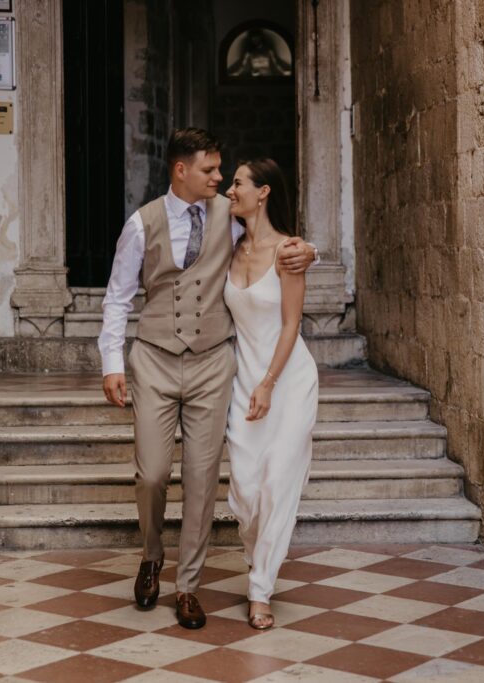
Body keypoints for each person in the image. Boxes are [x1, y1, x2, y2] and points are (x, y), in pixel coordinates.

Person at [99, 129, 316, 629]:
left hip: (213, 363)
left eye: (224, 173)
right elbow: (117, 296)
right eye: (210, 171)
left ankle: (188, 587)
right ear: (181, 170)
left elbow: (279, 247)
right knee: (152, 472)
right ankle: (152, 555)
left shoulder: (230, 216)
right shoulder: (141, 224)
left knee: (201, 479)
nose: (220, 179)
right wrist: (112, 361)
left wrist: (312, 253)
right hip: (153, 358)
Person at [224, 158, 318, 630]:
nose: (229, 190)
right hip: (243, 379)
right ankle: (257, 555)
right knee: (244, 489)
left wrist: (269, 384)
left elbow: (291, 323)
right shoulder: (227, 246)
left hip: (288, 380)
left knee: (277, 483)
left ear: (262, 193)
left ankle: (260, 589)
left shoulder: (289, 252)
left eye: (237, 183)